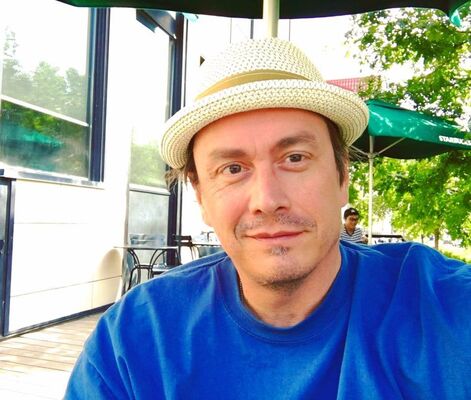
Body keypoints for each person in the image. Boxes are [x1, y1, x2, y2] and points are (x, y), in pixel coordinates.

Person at [65, 38, 471, 399]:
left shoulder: (445, 310)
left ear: (342, 175)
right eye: (232, 169)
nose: (267, 200)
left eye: (294, 158)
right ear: (201, 197)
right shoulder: (135, 341)